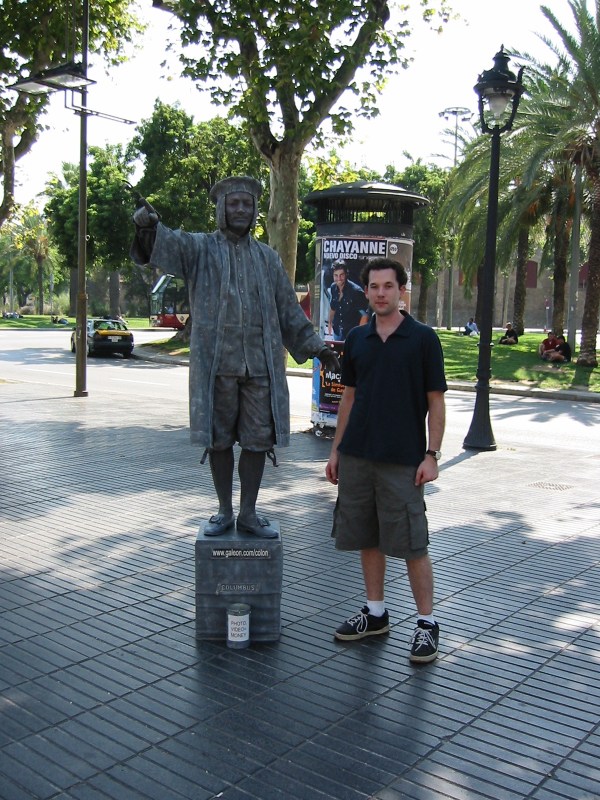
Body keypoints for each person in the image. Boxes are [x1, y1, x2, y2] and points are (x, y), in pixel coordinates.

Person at [131, 175, 339, 539]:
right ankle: (224, 509)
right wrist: (149, 229)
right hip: (217, 367)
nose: (241, 209)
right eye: (234, 203)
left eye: (247, 203)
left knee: (258, 439)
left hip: (260, 367)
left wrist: (317, 347)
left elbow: (289, 312)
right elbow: (164, 245)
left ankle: (248, 511)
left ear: (256, 209)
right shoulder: (200, 249)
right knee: (219, 438)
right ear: (221, 209)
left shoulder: (268, 259)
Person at [325, 256, 447, 664]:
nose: (380, 293)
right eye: (374, 287)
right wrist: (336, 449)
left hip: (403, 461)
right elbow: (349, 397)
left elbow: (436, 402)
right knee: (367, 537)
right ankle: (375, 613)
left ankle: (426, 624)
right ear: (368, 291)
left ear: (401, 290)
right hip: (358, 456)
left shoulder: (423, 339)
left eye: (388, 287)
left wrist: (431, 455)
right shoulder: (358, 339)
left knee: (413, 544)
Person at [327, 261, 369, 340]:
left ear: (346, 274)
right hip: (337, 331)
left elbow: (364, 315)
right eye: (336, 275)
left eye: (341, 275)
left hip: (351, 333)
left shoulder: (356, 291)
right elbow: (333, 307)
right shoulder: (333, 287)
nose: (338, 279)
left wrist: (359, 335)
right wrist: (329, 323)